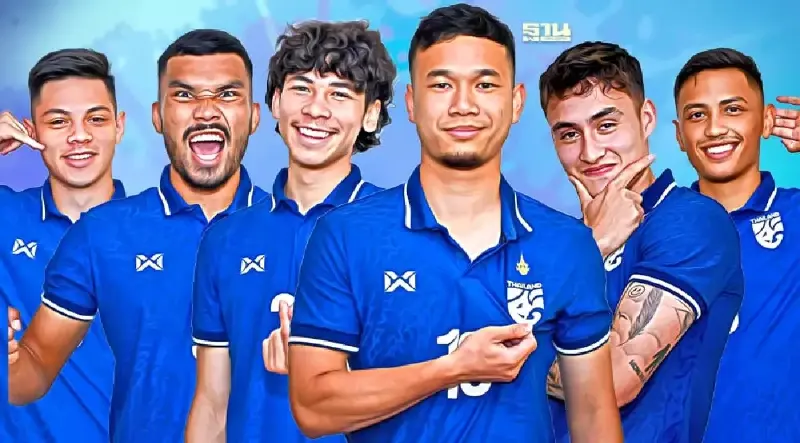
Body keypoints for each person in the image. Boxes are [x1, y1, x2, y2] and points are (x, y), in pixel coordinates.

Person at [279, 5, 623, 443]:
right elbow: (313, 408)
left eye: (485, 84)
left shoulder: (567, 244)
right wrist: (454, 368)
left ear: (515, 102)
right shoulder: (345, 235)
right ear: (412, 103)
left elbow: (593, 415)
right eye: (442, 85)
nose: (463, 105)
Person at [7, 29, 267, 443]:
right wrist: (9, 360)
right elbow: (34, 369)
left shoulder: (310, 231)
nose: (206, 111)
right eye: (184, 95)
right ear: (157, 117)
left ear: (254, 116)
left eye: (227, 94)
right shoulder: (101, 232)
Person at [186, 20, 393, 443]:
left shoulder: (401, 231)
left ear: (370, 114)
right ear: (277, 103)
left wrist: (325, 374)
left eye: (339, 93)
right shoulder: (225, 237)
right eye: (302, 88)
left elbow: (428, 391)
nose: (316, 109)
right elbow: (212, 403)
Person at [539, 41, 745, 443]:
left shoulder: (690, 220)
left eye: (606, 125)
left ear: (646, 118)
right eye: (569, 134)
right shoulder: (561, 242)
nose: (590, 152)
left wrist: (495, 358)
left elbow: (610, 382)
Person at [672, 48, 800, 442]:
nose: (714, 129)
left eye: (732, 109)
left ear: (767, 120)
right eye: (697, 115)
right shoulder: (654, 227)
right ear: (679, 135)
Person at [2, 48, 125, 442]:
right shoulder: (5, 219)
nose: (79, 136)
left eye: (96, 119)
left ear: (119, 126)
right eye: (58, 121)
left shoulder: (164, 232)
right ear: (31, 131)